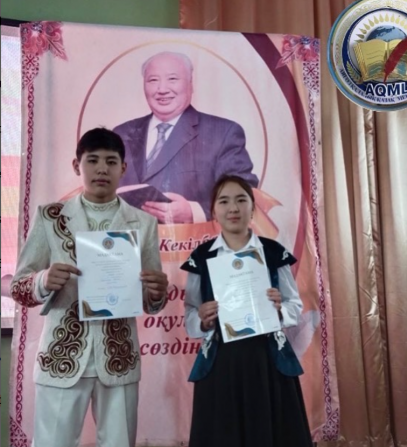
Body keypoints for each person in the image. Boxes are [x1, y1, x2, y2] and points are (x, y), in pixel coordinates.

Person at [10, 128, 169, 447]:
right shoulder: (51, 217)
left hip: (119, 356)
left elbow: (152, 298)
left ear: (123, 168)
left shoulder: (143, 222)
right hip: (62, 354)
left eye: (111, 161)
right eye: (92, 160)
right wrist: (43, 280)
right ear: (76, 165)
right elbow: (18, 287)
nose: (101, 169)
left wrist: (156, 293)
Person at [180, 175, 313, 447]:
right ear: (213, 210)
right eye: (224, 201)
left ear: (253, 209)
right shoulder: (202, 257)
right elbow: (191, 313)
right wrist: (203, 319)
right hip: (220, 363)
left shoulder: (273, 252)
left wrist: (279, 310)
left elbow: (294, 305)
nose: (233, 208)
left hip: (268, 362)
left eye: (241, 200)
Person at [113, 51, 259, 224]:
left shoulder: (223, 133)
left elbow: (245, 193)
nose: (162, 89)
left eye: (172, 79)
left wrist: (194, 212)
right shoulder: (121, 134)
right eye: (153, 80)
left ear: (191, 84)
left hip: (192, 238)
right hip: (129, 240)